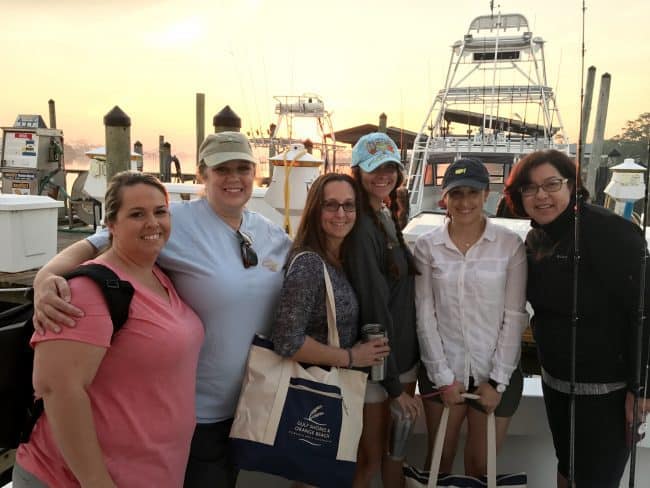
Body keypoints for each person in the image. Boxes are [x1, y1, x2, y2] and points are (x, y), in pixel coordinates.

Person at [30, 132, 292, 488]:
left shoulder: (273, 234)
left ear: (256, 173)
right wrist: (46, 277)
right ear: (203, 173)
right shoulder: (171, 220)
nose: (234, 178)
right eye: (222, 169)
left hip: (250, 406)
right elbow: (93, 247)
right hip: (196, 411)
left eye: (242, 168)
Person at [13, 172, 204, 488]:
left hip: (151, 472)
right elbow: (57, 388)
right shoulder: (87, 291)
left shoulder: (157, 275)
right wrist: (96, 482)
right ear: (111, 225)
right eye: (136, 214)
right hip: (74, 479)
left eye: (160, 212)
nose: (152, 223)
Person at [503, 149, 650, 488]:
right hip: (556, 384)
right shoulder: (536, 237)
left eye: (551, 184)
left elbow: (644, 310)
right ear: (519, 196)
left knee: (596, 479)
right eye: (530, 188)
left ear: (571, 186)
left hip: (607, 395)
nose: (541, 195)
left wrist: (640, 388)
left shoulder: (612, 232)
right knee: (567, 469)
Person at [413, 158, 528, 477]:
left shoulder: (510, 245)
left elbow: (514, 316)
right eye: (457, 193)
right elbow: (425, 315)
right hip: (444, 371)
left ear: (486, 193)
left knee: (481, 467)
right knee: (439, 462)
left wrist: (496, 381)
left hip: (495, 375)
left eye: (473, 193)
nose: (465, 202)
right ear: (445, 198)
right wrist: (443, 377)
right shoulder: (427, 246)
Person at [345, 132, 421, 487]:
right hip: (381, 372)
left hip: (402, 360)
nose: (383, 175)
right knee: (369, 458)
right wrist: (391, 386)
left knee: (396, 452)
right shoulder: (362, 227)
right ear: (358, 172)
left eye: (390, 167)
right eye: (374, 167)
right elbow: (373, 308)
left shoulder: (386, 214)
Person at [271, 172, 390, 373]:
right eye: (331, 205)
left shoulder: (343, 259)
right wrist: (351, 357)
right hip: (312, 391)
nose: (341, 214)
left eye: (349, 205)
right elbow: (287, 341)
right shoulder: (310, 264)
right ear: (315, 210)